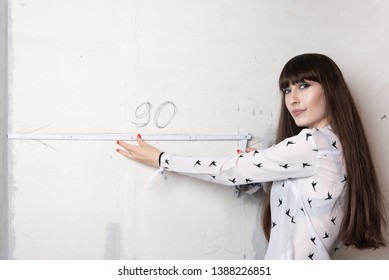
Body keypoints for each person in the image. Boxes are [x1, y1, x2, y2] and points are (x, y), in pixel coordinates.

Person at [116, 53, 387, 260]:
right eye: (286, 89)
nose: (292, 99)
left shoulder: (312, 143)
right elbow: (305, 200)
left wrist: (163, 159)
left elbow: (228, 170)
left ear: (330, 89)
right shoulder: (337, 145)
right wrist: (263, 174)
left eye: (303, 85)